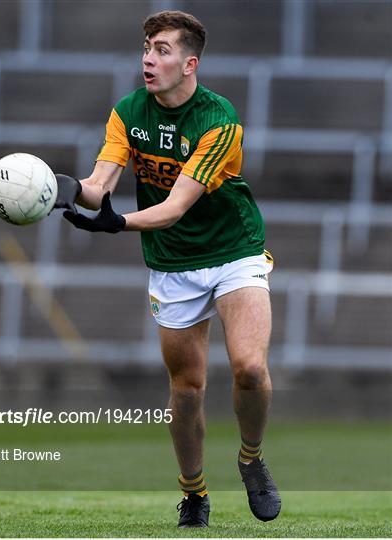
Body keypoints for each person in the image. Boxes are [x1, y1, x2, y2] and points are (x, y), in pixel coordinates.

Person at [54, 10, 281, 528]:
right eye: (146, 48)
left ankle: (250, 458)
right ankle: (194, 493)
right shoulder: (128, 112)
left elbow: (176, 206)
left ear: (189, 62)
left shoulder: (219, 120)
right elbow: (100, 184)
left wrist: (118, 224)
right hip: (172, 264)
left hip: (233, 250)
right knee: (187, 388)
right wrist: (60, 188)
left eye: (161, 49)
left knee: (249, 368)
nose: (148, 59)